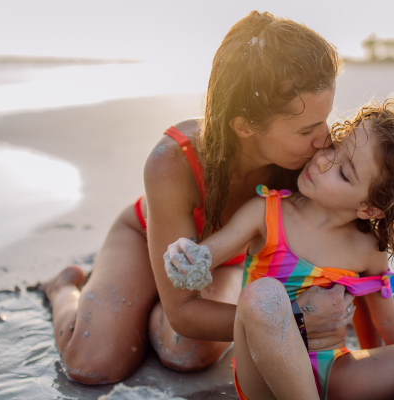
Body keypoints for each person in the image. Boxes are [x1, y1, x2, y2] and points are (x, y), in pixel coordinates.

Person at [40, 11, 358, 384]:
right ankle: (63, 287)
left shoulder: (308, 166)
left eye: (325, 119)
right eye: (306, 129)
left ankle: (144, 304)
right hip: (143, 237)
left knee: (185, 351)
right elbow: (184, 312)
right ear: (244, 126)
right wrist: (295, 317)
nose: (325, 140)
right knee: (91, 365)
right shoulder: (173, 160)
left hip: (227, 260)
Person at [165, 100, 394, 400]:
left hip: (334, 371)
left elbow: (384, 320)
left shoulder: (368, 248)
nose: (322, 160)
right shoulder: (266, 211)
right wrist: (189, 257)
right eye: (335, 147)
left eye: (343, 172)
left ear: (370, 208)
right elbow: (208, 255)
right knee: (263, 294)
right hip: (265, 377)